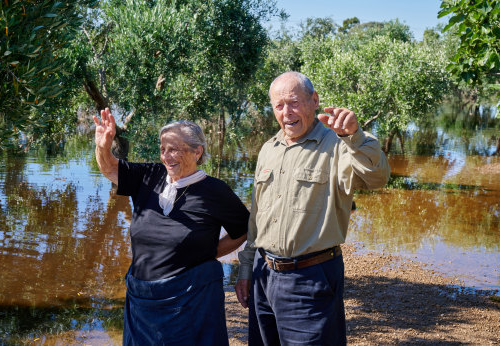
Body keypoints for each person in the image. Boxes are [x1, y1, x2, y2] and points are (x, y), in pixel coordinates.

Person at [235, 71, 390, 345]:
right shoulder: (268, 148)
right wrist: (246, 269)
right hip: (262, 274)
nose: (287, 113)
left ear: (314, 100)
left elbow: (376, 178)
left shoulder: (338, 144)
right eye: (278, 106)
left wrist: (354, 135)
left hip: (309, 279)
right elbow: (256, 217)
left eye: (293, 102)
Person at [93, 108, 249, 345]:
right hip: (142, 299)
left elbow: (244, 230)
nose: (166, 156)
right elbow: (110, 168)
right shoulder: (149, 176)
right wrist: (103, 146)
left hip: (190, 299)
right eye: (163, 149)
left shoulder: (215, 191)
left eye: (174, 149)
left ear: (197, 151)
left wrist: (210, 252)